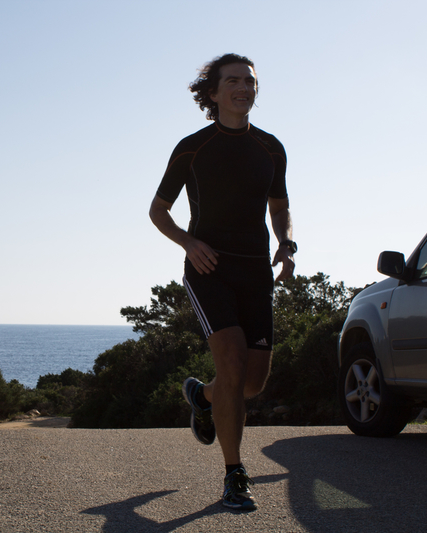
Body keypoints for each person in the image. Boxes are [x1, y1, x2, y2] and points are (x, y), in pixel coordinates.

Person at [149, 54, 295, 510]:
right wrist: (189, 244)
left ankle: (203, 395)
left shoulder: (271, 148)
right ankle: (235, 474)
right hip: (209, 267)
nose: (243, 87)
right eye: (233, 80)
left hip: (256, 271)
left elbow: (280, 207)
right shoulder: (193, 147)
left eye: (250, 81)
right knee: (231, 363)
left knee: (251, 383)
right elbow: (158, 211)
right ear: (213, 93)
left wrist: (286, 245)